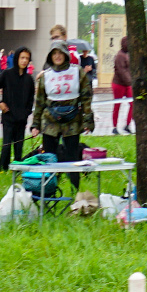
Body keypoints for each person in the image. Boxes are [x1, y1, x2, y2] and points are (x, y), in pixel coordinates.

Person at [35, 43, 93, 191]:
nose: (57, 56)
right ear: (50, 56)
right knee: (49, 159)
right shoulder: (45, 76)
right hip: (50, 122)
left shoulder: (78, 72)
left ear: (66, 55)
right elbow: (40, 102)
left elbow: (86, 97)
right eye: (54, 54)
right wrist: (35, 125)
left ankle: (75, 193)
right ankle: (48, 194)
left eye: (60, 53)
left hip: (73, 121)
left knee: (73, 158)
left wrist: (88, 120)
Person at [0, 46, 34, 171]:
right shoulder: (7, 74)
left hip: (21, 119)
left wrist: (27, 112)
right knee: (6, 146)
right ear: (16, 59)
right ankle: (2, 169)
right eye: (22, 58)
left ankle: (17, 169)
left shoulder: (29, 79)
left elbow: (31, 98)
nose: (24, 61)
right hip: (8, 117)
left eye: (27, 58)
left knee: (18, 147)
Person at [109, 38, 134, 135]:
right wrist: (130, 82)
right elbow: (121, 71)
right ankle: (114, 126)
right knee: (117, 105)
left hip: (128, 84)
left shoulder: (127, 55)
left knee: (132, 104)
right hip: (118, 84)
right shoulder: (120, 56)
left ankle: (127, 124)